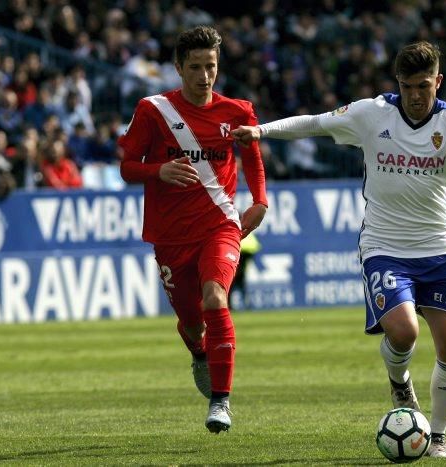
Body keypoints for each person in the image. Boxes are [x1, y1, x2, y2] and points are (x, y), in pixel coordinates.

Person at [233, 41, 446, 458]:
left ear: (438, 81)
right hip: (384, 246)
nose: (415, 96)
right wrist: (262, 130)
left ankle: (436, 435)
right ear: (397, 84)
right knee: (404, 332)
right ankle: (399, 381)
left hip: (438, 247)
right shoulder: (372, 114)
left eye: (423, 86)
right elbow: (316, 122)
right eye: (406, 87)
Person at [118, 26, 268, 433]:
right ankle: (200, 354)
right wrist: (159, 170)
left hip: (219, 225)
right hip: (170, 236)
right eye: (196, 67)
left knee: (215, 298)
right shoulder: (153, 111)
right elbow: (127, 167)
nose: (205, 76)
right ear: (179, 68)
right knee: (192, 321)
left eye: (211, 66)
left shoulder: (237, 111)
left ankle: (221, 402)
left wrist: (260, 201)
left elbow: (252, 156)